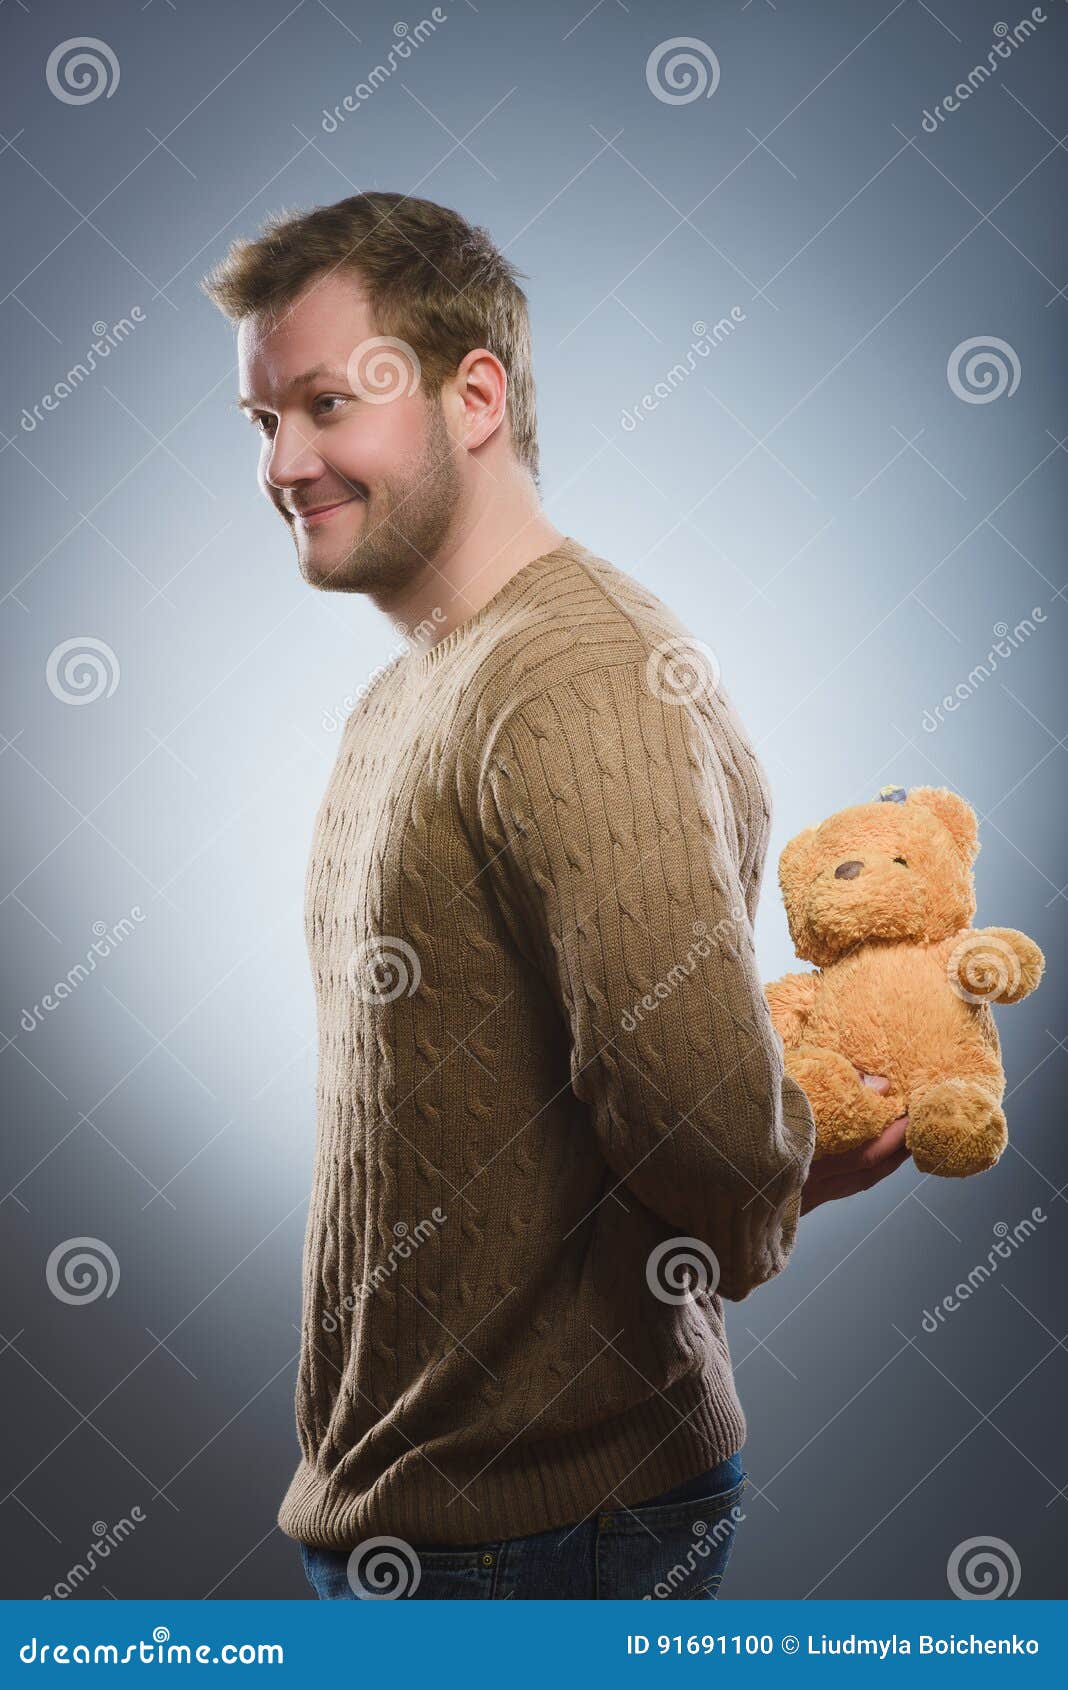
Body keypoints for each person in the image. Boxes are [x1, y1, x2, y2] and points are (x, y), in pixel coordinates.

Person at [203, 192, 909, 1601]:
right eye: (263, 420)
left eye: (328, 404)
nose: (283, 462)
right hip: (415, 1522)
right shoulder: (419, 684)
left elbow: (706, 1126)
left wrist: (769, 1178)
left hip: (541, 1540)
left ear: (475, 398)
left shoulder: (579, 678)